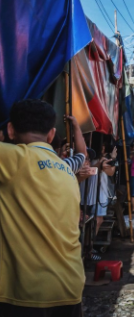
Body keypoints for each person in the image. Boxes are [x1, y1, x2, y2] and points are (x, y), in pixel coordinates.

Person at [0, 99, 84, 315]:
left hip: (27, 293)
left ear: (10, 130)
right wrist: (75, 126)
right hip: (70, 286)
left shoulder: (14, 159)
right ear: (51, 134)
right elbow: (82, 156)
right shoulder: (66, 170)